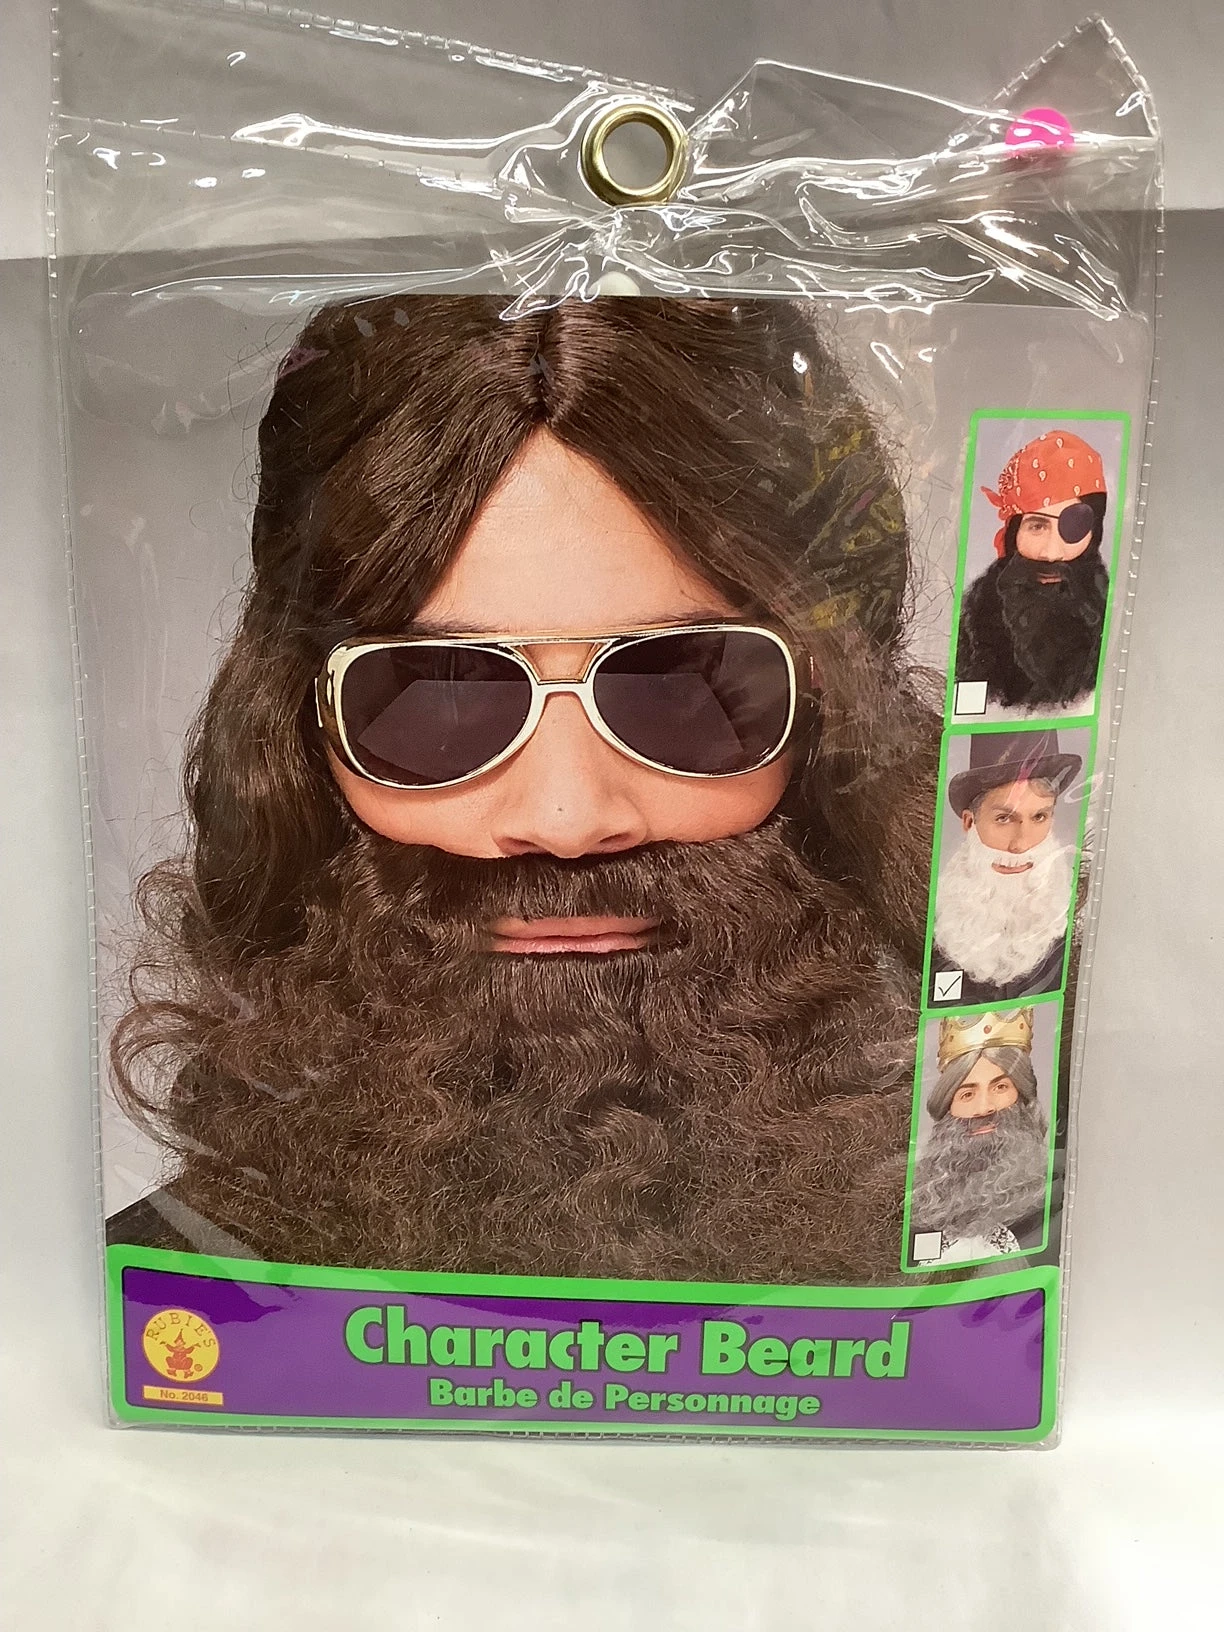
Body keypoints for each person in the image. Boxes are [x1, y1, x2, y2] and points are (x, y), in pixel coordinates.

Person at [106, 295, 942, 1283]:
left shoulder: (1003, 1280)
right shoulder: (166, 1296)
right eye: (440, 695)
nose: (567, 819)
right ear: (301, 731)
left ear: (836, 715)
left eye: (682, 686)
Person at [955, 429, 1110, 711]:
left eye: (1073, 527)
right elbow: (967, 711)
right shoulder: (979, 614)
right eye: (1037, 526)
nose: (1051, 553)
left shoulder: (1110, 609)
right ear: (1014, 533)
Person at [930, 731, 1081, 1005]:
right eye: (1003, 818)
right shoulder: (926, 935)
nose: (1020, 845)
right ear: (969, 822)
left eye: (1039, 816)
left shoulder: (1075, 945)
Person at [909, 1010, 1050, 1266]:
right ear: (947, 1108)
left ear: (1022, 1095)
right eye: (967, 1094)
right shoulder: (917, 1199)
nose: (984, 1108)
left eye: (1000, 1087)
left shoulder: (1054, 1194)